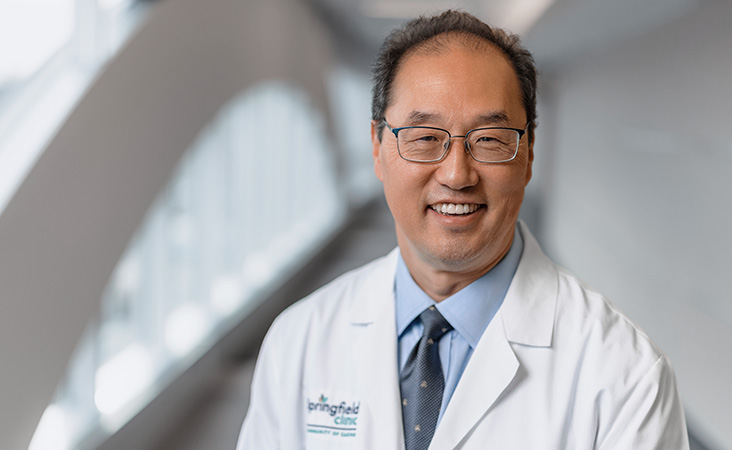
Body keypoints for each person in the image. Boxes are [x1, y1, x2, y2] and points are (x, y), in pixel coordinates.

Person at [237, 10, 689, 450]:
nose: (456, 174)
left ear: (529, 154)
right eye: (426, 137)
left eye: (489, 140)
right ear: (377, 148)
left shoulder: (625, 375)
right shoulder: (298, 340)